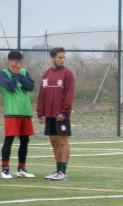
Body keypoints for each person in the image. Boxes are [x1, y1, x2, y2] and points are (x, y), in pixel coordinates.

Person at [37, 47, 75, 181]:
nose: (62, 60)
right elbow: (42, 94)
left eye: (63, 57)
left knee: (63, 140)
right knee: (53, 141)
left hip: (61, 115)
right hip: (49, 115)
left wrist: (65, 112)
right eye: (59, 57)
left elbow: (69, 95)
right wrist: (40, 113)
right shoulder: (47, 74)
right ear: (52, 58)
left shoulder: (67, 74)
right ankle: (58, 170)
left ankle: (63, 172)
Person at [0, 51, 36, 179]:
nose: (18, 65)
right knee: (9, 140)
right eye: (15, 62)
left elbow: (30, 87)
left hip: (25, 112)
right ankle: (4, 169)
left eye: (20, 62)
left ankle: (21, 168)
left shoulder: (24, 72)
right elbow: (10, 87)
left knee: (25, 140)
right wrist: (15, 75)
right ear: (9, 62)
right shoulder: (3, 74)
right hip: (12, 113)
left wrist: (20, 75)